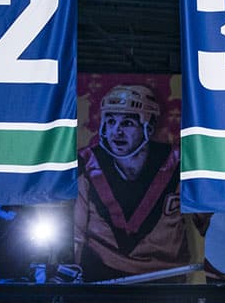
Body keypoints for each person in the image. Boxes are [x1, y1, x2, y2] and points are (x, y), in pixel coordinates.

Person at [73, 84, 203, 282]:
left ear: (148, 127)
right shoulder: (86, 164)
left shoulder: (180, 163)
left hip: (165, 278)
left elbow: (208, 224)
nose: (116, 131)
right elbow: (75, 232)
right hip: (102, 277)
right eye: (110, 122)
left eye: (127, 123)